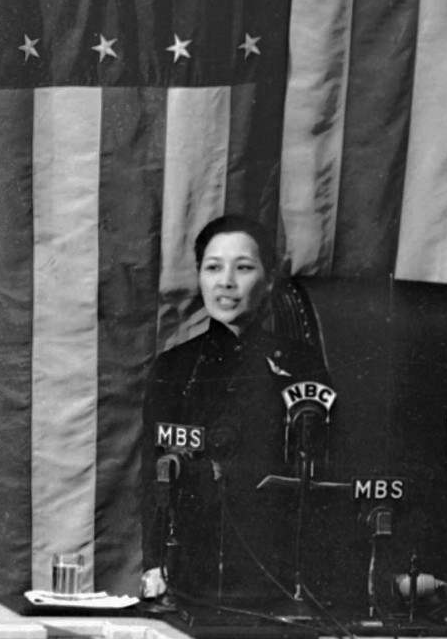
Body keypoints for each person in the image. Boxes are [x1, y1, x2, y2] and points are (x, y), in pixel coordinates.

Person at [139, 214, 330, 605]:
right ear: (199, 277)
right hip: (193, 569)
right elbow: (154, 475)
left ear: (271, 279)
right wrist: (154, 564)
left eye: (243, 268)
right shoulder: (175, 369)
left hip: (280, 572)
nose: (226, 282)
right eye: (213, 268)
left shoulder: (304, 366)